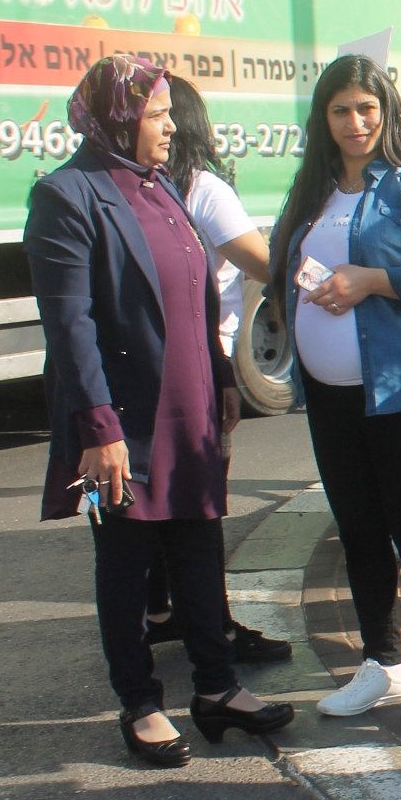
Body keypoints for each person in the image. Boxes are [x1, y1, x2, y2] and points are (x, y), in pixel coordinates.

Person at [25, 54, 292, 767]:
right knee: (127, 560)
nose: (172, 127)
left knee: (200, 552)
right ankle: (141, 703)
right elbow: (70, 325)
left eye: (170, 114)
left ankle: (217, 689)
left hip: (191, 409)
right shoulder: (68, 195)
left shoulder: (162, 188)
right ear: (117, 117)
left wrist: (222, 380)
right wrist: (100, 428)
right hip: (125, 423)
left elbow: (199, 289)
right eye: (157, 114)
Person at [269, 56, 401, 727]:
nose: (355, 123)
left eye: (366, 108)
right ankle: (383, 664)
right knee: (358, 530)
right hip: (332, 396)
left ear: (386, 110)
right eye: (340, 110)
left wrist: (372, 280)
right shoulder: (313, 188)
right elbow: (285, 261)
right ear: (322, 119)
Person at [139, 74, 294, 665]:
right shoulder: (201, 188)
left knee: (157, 499)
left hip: (155, 366)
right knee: (201, 505)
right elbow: (263, 262)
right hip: (200, 364)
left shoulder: (142, 189)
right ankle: (213, 626)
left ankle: (160, 612)